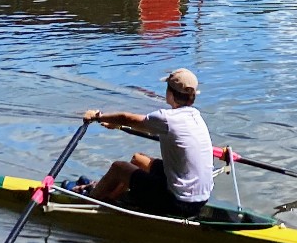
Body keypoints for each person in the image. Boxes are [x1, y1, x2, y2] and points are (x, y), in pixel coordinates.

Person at [81, 68, 213, 219]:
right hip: (200, 199)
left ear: (169, 93)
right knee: (138, 159)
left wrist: (98, 117)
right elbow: (143, 126)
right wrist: (115, 123)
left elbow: (127, 118)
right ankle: (111, 199)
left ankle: (88, 202)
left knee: (119, 167)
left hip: (179, 203)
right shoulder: (196, 117)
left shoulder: (166, 118)